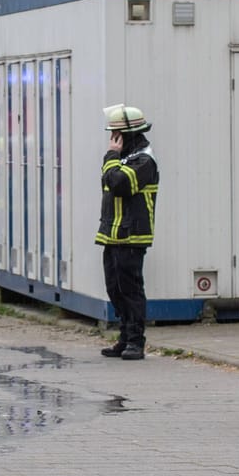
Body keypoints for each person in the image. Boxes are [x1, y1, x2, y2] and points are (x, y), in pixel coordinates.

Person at [97, 104, 161, 361]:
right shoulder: (126, 158)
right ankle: (124, 337)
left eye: (116, 134)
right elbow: (110, 181)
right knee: (115, 288)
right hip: (113, 235)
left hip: (132, 235)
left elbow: (119, 184)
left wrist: (110, 158)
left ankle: (136, 340)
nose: (113, 139)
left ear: (128, 134)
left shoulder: (144, 160)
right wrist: (113, 161)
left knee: (130, 289)